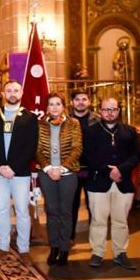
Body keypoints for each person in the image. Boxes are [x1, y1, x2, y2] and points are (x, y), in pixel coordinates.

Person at [0, 80, 38, 265]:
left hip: (20, 172)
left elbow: (31, 147)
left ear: (21, 92)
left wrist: (13, 167)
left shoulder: (29, 118)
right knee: (1, 209)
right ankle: (3, 246)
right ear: (3, 93)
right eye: (9, 90)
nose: (12, 93)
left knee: (22, 210)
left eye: (16, 90)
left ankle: (24, 248)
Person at [85, 98, 140, 270]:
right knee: (98, 220)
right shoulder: (91, 131)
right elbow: (87, 157)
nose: (109, 113)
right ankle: (98, 252)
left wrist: (120, 170)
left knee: (121, 220)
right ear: (100, 111)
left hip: (123, 183)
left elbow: (136, 156)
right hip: (98, 182)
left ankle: (120, 253)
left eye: (113, 109)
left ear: (118, 111)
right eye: (106, 109)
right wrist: (108, 171)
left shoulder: (129, 131)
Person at [35, 93, 83, 266]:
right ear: (47, 107)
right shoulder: (40, 124)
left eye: (58, 104)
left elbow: (77, 149)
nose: (54, 107)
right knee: (52, 210)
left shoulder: (73, 124)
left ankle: (64, 249)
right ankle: (53, 246)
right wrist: (48, 168)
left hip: (68, 174)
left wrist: (62, 168)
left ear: (63, 106)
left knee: (65, 212)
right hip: (46, 173)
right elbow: (37, 149)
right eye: (51, 104)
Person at [69, 89, 100, 244]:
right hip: (72, 169)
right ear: (72, 102)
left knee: (93, 206)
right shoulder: (65, 120)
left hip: (92, 169)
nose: (80, 102)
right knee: (71, 205)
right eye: (77, 99)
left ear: (89, 101)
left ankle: (95, 238)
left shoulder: (98, 120)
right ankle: (70, 238)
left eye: (84, 99)